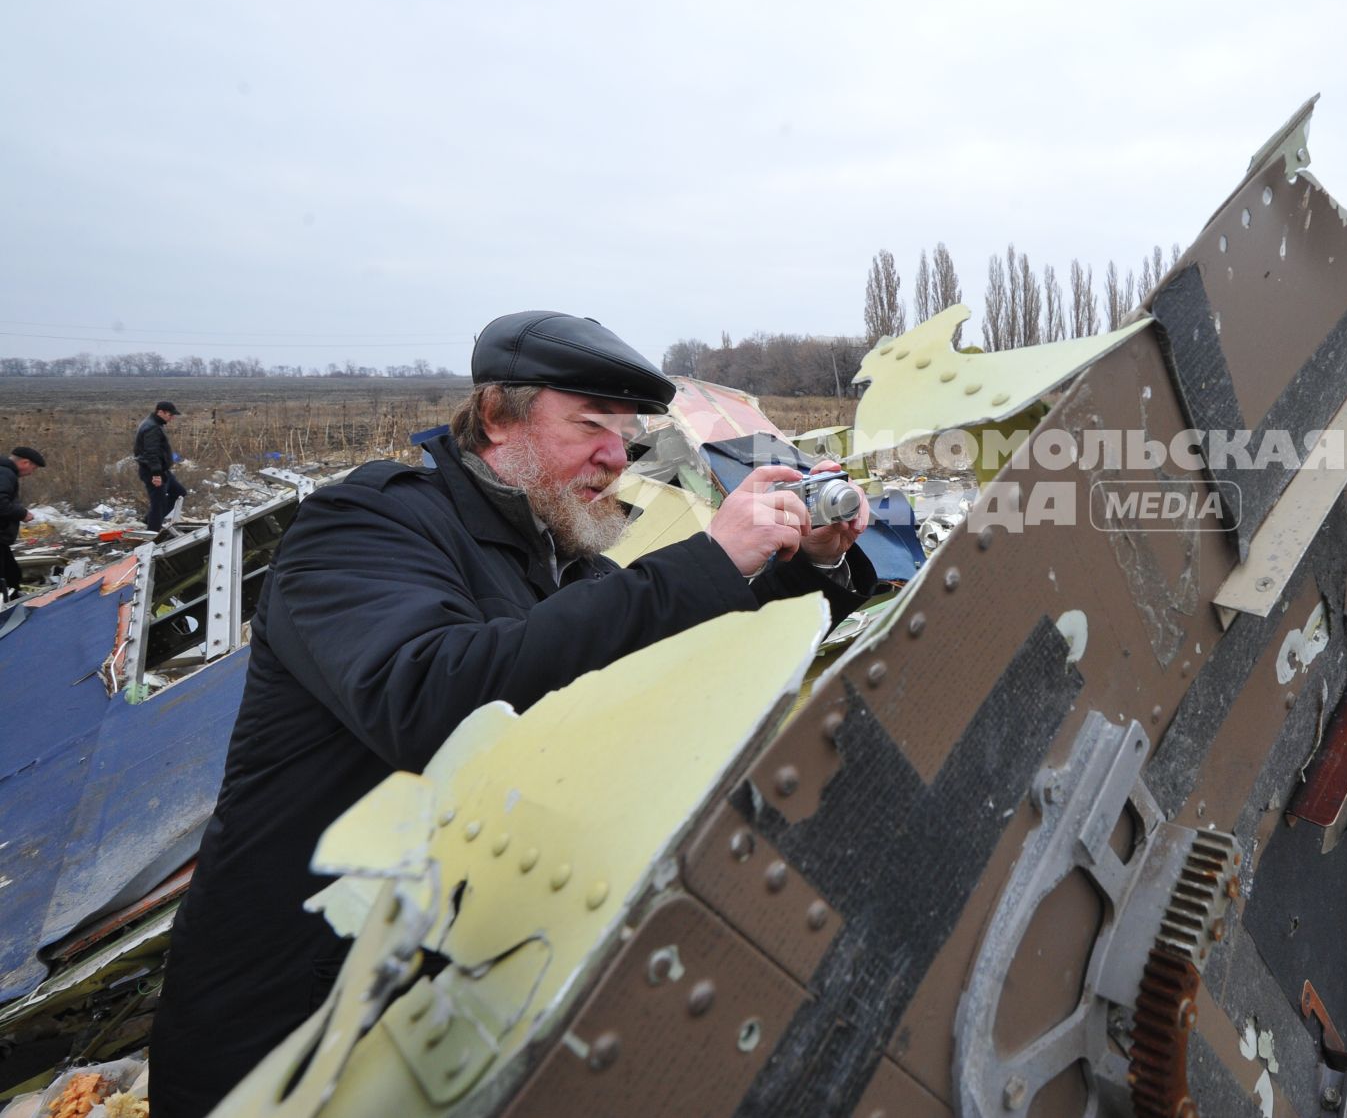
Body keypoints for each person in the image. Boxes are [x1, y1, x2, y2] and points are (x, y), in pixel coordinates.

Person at [151, 311, 875, 1116]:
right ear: (497, 416)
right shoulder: (365, 525)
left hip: (445, 1016)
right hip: (299, 1031)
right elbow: (431, 702)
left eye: (627, 431)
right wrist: (706, 558)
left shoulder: (555, 558)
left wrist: (809, 562)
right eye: (590, 423)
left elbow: (648, 664)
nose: (617, 453)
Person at [1, 446, 47, 602]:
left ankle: (13, 601)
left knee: (11, 573)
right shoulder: (6, 473)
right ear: (25, 462)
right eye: (33, 468)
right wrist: (22, 514)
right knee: (5, 578)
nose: (31, 473)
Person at [135, 400, 186, 534]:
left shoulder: (155, 424)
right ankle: (152, 534)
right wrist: (156, 474)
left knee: (179, 492)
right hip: (152, 471)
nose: (172, 417)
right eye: (170, 414)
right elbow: (151, 452)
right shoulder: (152, 427)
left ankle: (150, 520)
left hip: (162, 470)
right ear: (161, 412)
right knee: (158, 502)